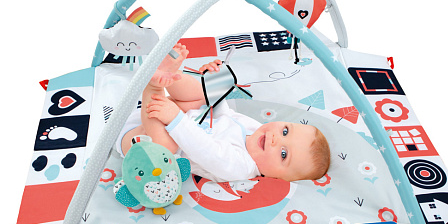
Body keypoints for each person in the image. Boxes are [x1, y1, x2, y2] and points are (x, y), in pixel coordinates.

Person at [118, 43, 331, 183]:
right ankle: (170, 74)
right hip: (167, 115)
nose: (276, 139)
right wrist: (213, 84)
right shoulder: (256, 131)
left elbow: (205, 150)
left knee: (167, 148)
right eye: (285, 131)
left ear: (276, 179)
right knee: (202, 97)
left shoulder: (242, 167)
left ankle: (153, 87)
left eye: (283, 154)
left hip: (139, 139)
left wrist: (176, 120)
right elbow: (222, 114)